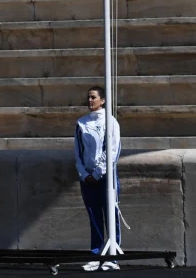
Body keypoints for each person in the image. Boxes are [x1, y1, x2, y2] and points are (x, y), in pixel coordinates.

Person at [75, 86, 121, 272]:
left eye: (93, 97)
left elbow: (113, 150)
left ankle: (112, 256)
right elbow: (78, 152)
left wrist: (98, 173)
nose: (90, 101)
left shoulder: (111, 122)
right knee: (94, 216)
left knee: (111, 215)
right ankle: (96, 254)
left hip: (106, 177)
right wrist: (84, 174)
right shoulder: (81, 123)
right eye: (88, 97)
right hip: (88, 178)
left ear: (102, 100)